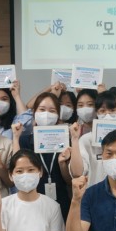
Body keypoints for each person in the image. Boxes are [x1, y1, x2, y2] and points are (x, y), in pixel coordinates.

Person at [11, 91, 72, 220]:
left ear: (58, 115)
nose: (46, 114)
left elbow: (68, 180)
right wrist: (16, 138)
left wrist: (62, 164)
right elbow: (16, 168)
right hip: (32, 200)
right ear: (34, 113)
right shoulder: (25, 140)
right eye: (42, 109)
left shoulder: (65, 141)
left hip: (61, 200)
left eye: (52, 110)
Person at [70, 89, 116, 187]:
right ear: (97, 113)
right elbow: (77, 173)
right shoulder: (86, 140)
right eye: (102, 111)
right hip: (95, 193)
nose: (107, 115)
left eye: (112, 110)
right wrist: (74, 139)